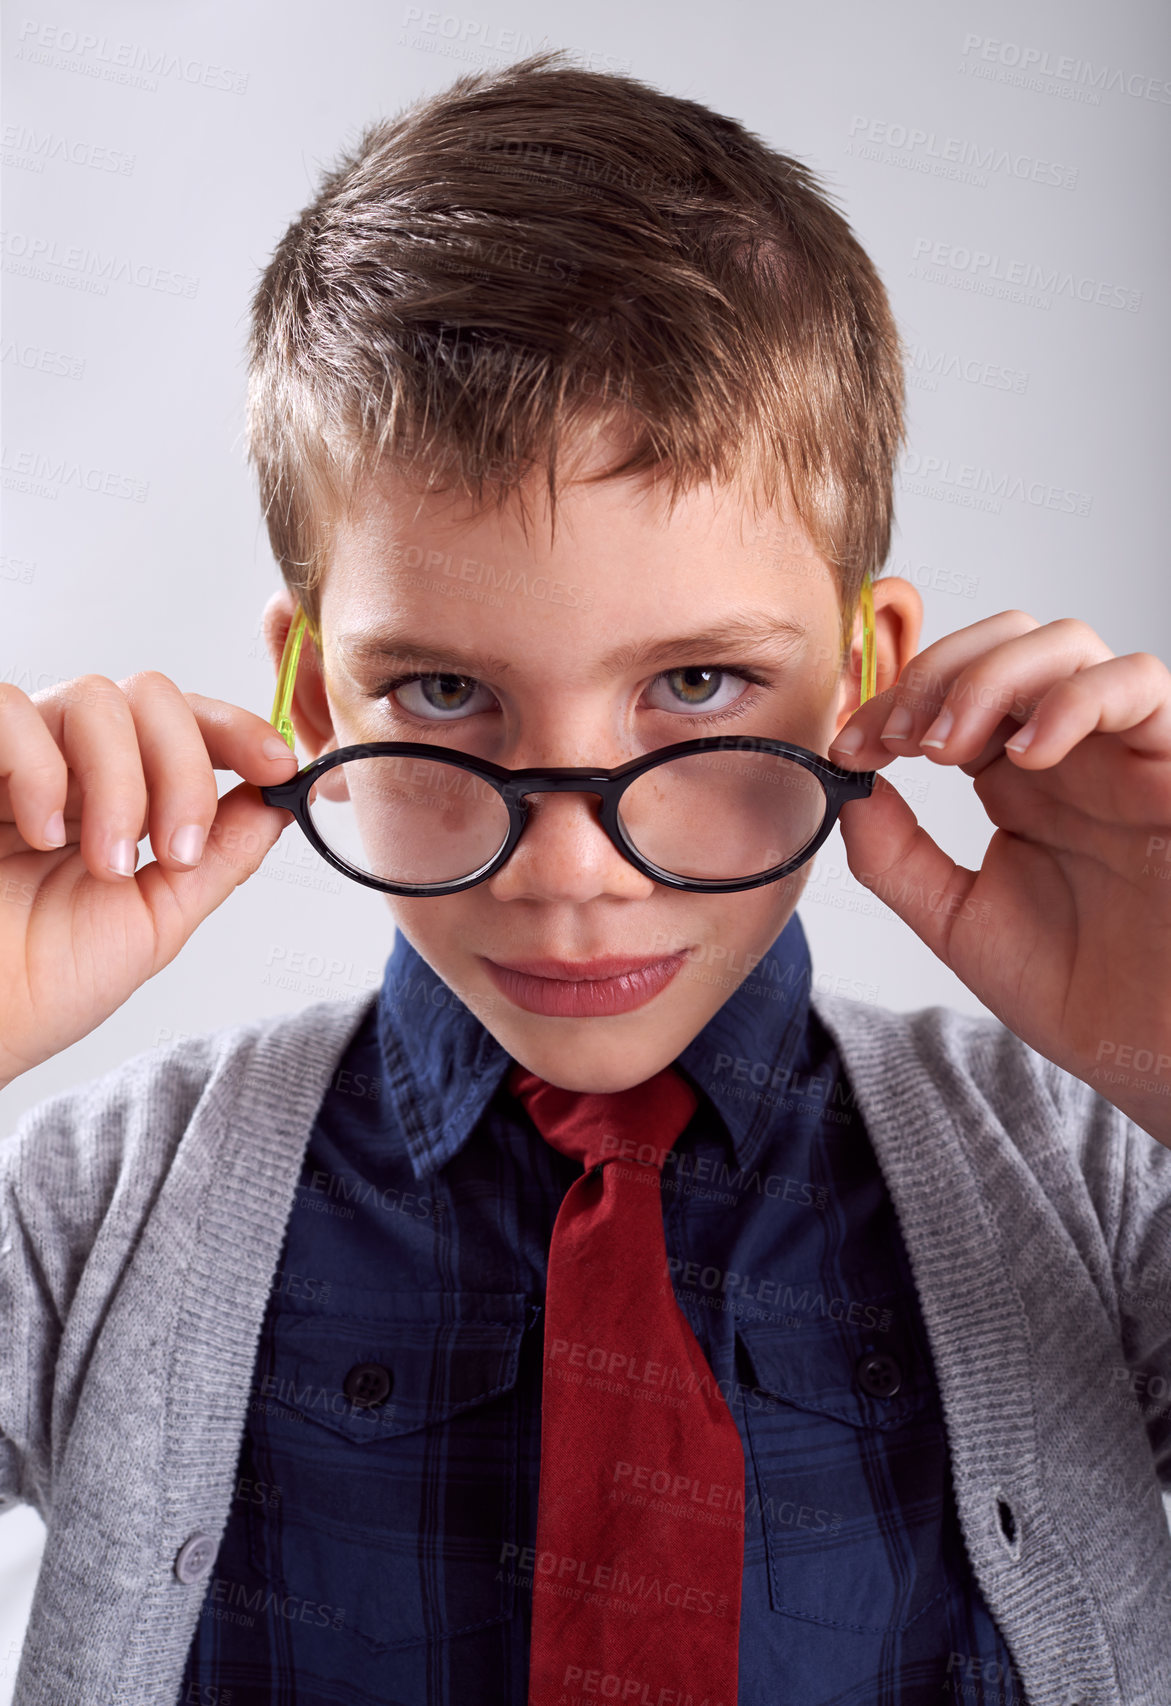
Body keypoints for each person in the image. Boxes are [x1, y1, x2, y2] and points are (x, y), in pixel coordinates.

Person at [2, 49, 1170, 1706]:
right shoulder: (98, 1208)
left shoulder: (1097, 1183)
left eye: (697, 686)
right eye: (442, 691)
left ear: (862, 675)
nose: (567, 873)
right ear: (315, 701)